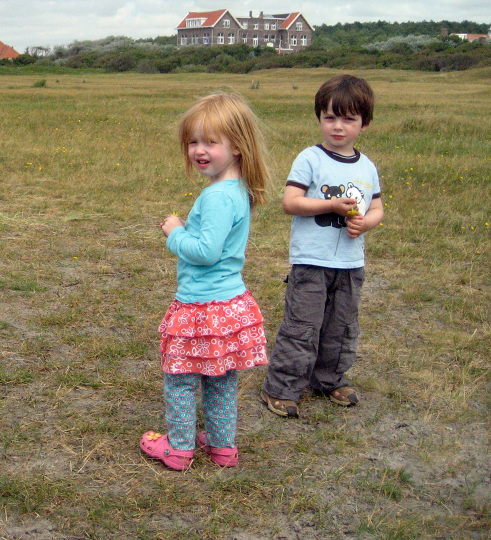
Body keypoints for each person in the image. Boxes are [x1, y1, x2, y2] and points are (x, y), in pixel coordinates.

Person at [140, 93, 270, 471]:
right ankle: (221, 446)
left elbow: (206, 251)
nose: (199, 150)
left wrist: (174, 232)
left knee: (180, 379)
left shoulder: (216, 197)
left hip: (200, 306)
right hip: (229, 305)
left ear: (238, 146)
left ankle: (179, 448)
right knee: (220, 379)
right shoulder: (237, 189)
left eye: (210, 141)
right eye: (193, 141)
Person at [260, 74, 384, 418]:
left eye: (349, 119)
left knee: (341, 327)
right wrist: (329, 206)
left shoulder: (367, 166)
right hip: (311, 262)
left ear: (364, 123)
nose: (338, 127)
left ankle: (329, 380)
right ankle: (282, 388)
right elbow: (291, 201)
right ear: (319, 118)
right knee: (303, 326)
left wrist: (365, 223)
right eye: (330, 117)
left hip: (350, 263)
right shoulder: (310, 158)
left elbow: (377, 209)